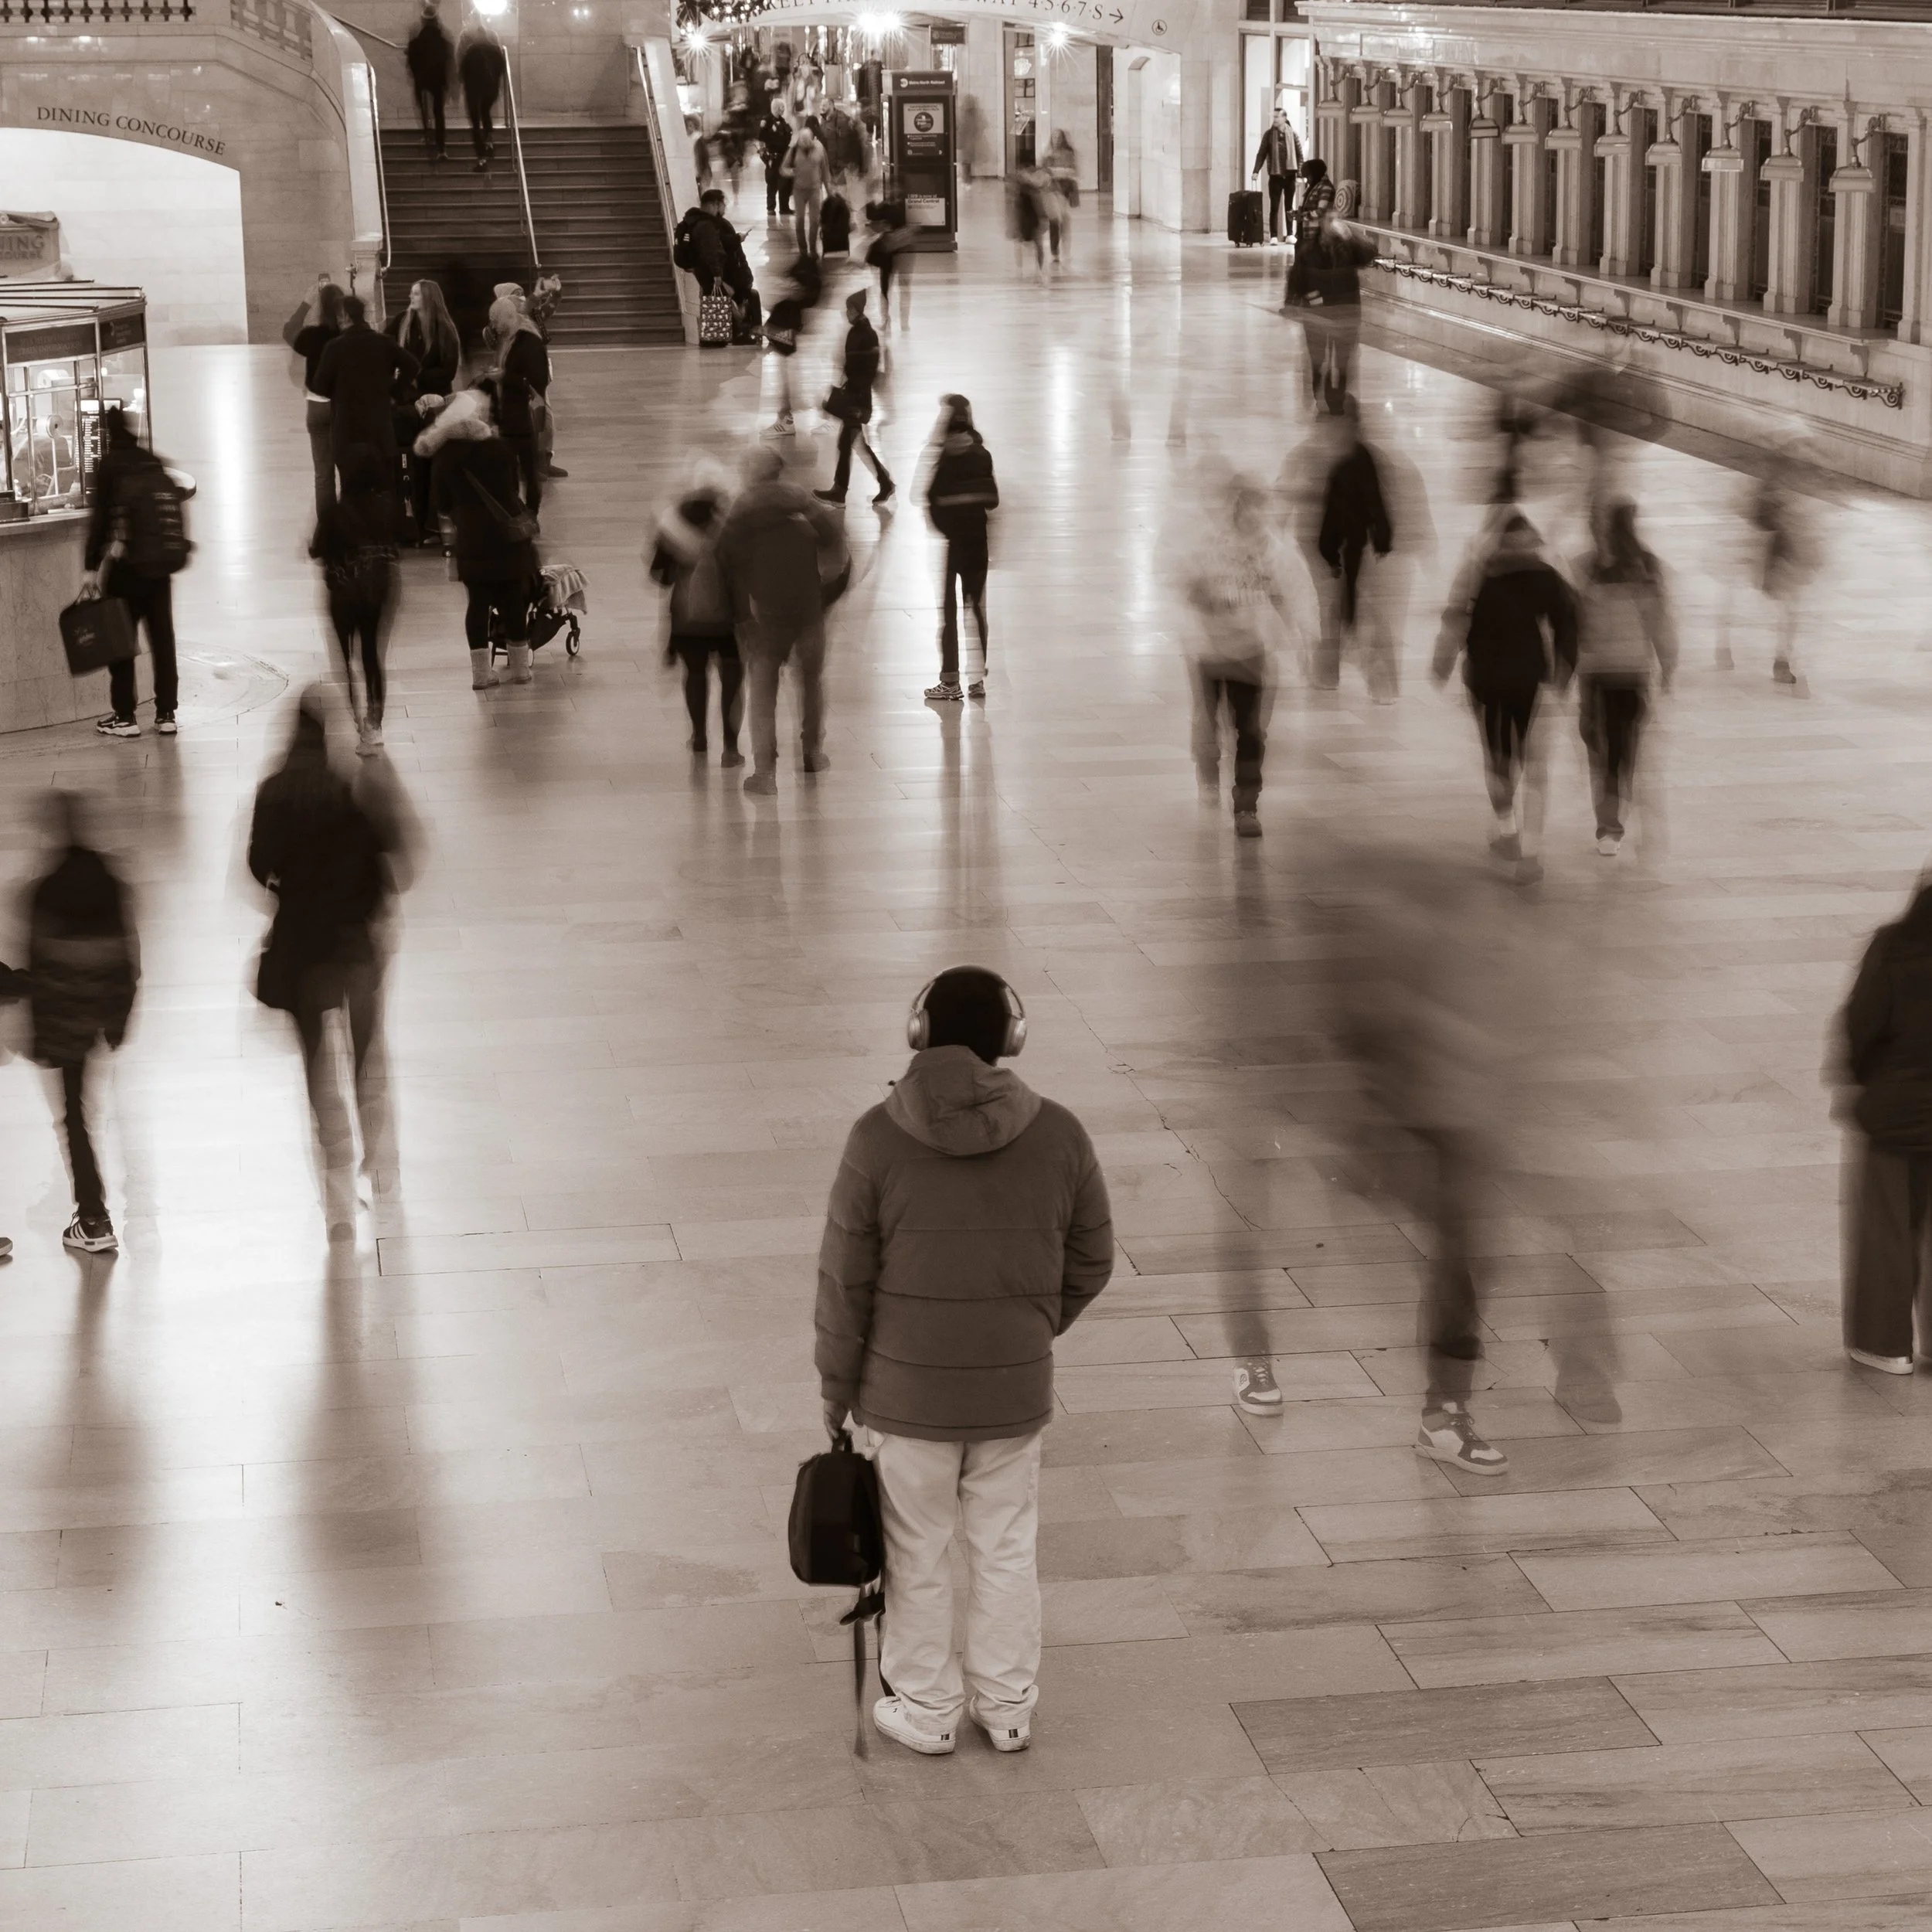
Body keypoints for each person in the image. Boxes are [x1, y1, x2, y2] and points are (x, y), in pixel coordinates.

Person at [816, 966, 1114, 1756]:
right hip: (1013, 1391)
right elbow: (1092, 1258)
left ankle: (926, 1706)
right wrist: (1029, 1327)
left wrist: (835, 1386)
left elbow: (844, 1280)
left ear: (917, 1032)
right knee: (1005, 1544)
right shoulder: (1059, 1132)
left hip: (902, 1393)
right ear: (1009, 1038)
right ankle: (1008, 1705)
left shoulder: (875, 1138)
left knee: (915, 1548)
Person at [249, 689, 414, 1242]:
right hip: (356, 946)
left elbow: (257, 865)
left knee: (319, 1071)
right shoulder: (351, 790)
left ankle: (339, 1202)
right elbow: (387, 862)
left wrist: (286, 883)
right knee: (367, 1057)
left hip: (303, 949)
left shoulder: (273, 792)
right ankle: (383, 1165)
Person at [1431, 511, 1578, 888]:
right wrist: (1562, 676)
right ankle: (1530, 854)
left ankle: (1507, 827)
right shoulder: (1546, 576)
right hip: (1530, 680)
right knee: (1536, 767)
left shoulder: (1479, 572)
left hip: (1486, 680)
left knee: (1499, 759)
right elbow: (1569, 625)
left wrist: (1443, 661)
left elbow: (1455, 620)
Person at [23, 792, 138, 1256]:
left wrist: (37, 1032)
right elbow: (127, 956)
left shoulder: (44, 890)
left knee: (74, 1116)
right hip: (99, 1012)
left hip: (64, 1020)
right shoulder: (110, 881)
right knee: (84, 1112)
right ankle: (92, 1216)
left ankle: (92, 1216)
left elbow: (41, 962)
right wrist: (120, 1017)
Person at [1834, 876, 1932, 1373]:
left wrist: (1859, 1081)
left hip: (1894, 1117)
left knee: (1888, 1232)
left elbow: (1860, 1022)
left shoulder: (1895, 946)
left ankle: (1886, 1344)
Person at [713, 447, 845, 796]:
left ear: (753, 474)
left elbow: (724, 567)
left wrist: (739, 617)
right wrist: (824, 597)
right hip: (808, 610)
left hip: (765, 615)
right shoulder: (804, 503)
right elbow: (838, 548)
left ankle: (765, 774)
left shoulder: (741, 511)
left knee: (763, 694)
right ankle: (812, 753)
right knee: (811, 682)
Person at [1178, 468, 1300, 841]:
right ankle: (1207, 765)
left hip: (1251, 653)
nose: (1254, 514)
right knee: (1209, 723)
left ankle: (1247, 805)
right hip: (1209, 652)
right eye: (1247, 505)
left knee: (1250, 732)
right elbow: (1189, 586)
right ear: (1235, 505)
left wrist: (1297, 634)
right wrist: (1209, 599)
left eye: (1260, 506)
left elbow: (1285, 594)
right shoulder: (1209, 542)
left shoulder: (1273, 550)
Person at [1572, 498, 1676, 857]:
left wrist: (1563, 665)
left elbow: (1571, 623)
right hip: (1632, 673)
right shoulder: (1648, 569)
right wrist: (1668, 666)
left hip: (1597, 673)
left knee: (1600, 749)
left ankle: (1609, 824)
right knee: (1623, 748)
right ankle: (1615, 820)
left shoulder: (1584, 568)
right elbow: (1661, 624)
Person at [420, 385, 539, 689]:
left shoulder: (445, 456)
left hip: (471, 538)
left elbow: (441, 504)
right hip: (507, 538)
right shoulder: (499, 449)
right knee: (513, 600)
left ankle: (481, 674)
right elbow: (512, 490)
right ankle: (521, 670)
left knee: (477, 604)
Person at [83, 406, 189, 740]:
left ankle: (125, 716)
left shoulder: (109, 465)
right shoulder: (151, 460)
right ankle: (166, 712)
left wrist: (91, 565)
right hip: (159, 567)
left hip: (127, 569)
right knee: (162, 638)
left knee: (121, 642)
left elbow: (101, 519)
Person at [650, 464, 743, 766]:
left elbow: (659, 575)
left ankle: (699, 736)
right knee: (731, 677)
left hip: (686, 618)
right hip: (729, 618)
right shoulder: (732, 529)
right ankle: (731, 746)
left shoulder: (671, 528)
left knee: (695, 675)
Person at [311, 443, 401, 753]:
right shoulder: (385, 508)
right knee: (372, 657)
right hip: (378, 591)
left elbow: (317, 550)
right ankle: (374, 725)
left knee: (346, 659)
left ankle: (357, 720)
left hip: (343, 593)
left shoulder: (335, 512)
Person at [920, 396, 998, 704]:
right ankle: (977, 680)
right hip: (979, 541)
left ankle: (950, 681)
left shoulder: (945, 459)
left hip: (955, 546)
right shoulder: (982, 454)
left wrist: (947, 527)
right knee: (977, 608)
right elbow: (993, 499)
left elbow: (929, 498)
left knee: (949, 611)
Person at [1315, 401, 1394, 694]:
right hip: (1344, 549)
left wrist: (1381, 537)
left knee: (1349, 611)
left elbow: (1371, 501)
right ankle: (1335, 672)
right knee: (1343, 610)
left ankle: (1356, 674)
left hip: (1351, 549)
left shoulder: (1356, 460)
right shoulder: (1351, 457)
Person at [312, 294, 419, 490]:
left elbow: (319, 386)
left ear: (344, 316)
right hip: (379, 429)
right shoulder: (383, 342)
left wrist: (339, 392)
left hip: (347, 430)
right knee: (384, 487)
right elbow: (412, 365)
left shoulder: (335, 347)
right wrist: (395, 390)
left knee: (351, 490)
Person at [386, 279, 461, 543]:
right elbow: (385, 350)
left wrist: (419, 378)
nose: (411, 296)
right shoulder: (401, 322)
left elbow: (448, 370)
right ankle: (412, 521)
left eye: (416, 293)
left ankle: (433, 523)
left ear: (429, 297)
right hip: (406, 403)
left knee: (433, 460)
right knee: (411, 460)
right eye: (411, 292)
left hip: (434, 402)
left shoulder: (445, 329)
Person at [815, 290, 894, 509]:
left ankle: (841, 492)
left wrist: (851, 398)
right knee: (853, 443)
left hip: (856, 399)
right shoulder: (861, 332)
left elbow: (862, 370)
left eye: (850, 309)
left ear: (858, 311)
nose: (847, 313)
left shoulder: (863, 334)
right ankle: (884, 484)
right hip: (857, 396)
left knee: (847, 443)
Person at [284, 277, 346, 522]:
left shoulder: (313, 336)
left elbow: (289, 331)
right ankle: (351, 527)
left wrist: (306, 303)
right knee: (349, 469)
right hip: (344, 409)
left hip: (317, 408)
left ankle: (327, 531)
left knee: (323, 474)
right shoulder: (348, 336)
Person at [488, 295, 551, 522]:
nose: (493, 325)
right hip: (509, 417)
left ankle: (531, 513)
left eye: (495, 320)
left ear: (509, 317)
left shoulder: (529, 342)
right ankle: (515, 510)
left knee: (529, 470)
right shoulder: (507, 341)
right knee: (509, 469)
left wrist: (505, 377)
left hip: (525, 419)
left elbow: (538, 382)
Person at [457, 17, 506, 171]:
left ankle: (481, 160)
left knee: (476, 123)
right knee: (486, 112)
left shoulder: (470, 52)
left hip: (474, 92)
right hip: (491, 91)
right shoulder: (495, 50)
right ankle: (490, 142)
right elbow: (501, 70)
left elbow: (462, 74)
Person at [406, 2, 453, 161]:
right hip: (438, 81)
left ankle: (427, 133)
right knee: (439, 113)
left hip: (422, 79)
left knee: (424, 109)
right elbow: (447, 61)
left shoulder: (416, 41)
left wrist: (417, 74)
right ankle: (442, 148)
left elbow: (412, 62)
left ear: (423, 21)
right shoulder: (442, 41)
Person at [1252, 107, 1304, 242]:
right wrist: (1256, 171)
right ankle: (1273, 235)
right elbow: (1261, 153)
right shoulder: (1269, 135)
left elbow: (1300, 156)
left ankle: (1290, 234)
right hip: (1275, 176)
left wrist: (1299, 174)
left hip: (1290, 176)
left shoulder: (1293, 134)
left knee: (1289, 206)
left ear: (1284, 119)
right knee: (1274, 207)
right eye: (1274, 117)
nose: (1274, 119)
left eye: (1277, 117)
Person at [784, 118, 830, 257]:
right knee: (799, 221)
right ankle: (803, 250)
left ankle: (813, 248)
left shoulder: (819, 148)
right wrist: (790, 172)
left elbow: (825, 170)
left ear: (812, 139)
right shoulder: (793, 150)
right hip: (799, 190)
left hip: (815, 189)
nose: (805, 145)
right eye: (802, 142)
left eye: (807, 141)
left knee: (815, 221)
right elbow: (783, 168)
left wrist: (829, 190)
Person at [1044, 129, 1078, 264]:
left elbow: (1073, 171)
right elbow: (1044, 173)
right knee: (1054, 220)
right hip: (1051, 191)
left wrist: (1057, 172)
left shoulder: (1069, 154)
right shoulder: (1048, 155)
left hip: (1063, 192)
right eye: (1053, 137)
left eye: (1058, 137)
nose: (1056, 140)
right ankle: (1054, 251)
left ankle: (1064, 246)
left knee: (1063, 219)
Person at [758, 104, 793, 218]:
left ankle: (784, 208)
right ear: (776, 108)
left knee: (784, 183)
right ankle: (771, 208)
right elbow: (761, 138)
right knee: (772, 183)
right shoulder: (766, 121)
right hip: (772, 157)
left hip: (783, 157)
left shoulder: (783, 121)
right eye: (781, 107)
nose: (783, 109)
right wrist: (763, 153)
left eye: (784, 107)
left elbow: (788, 135)